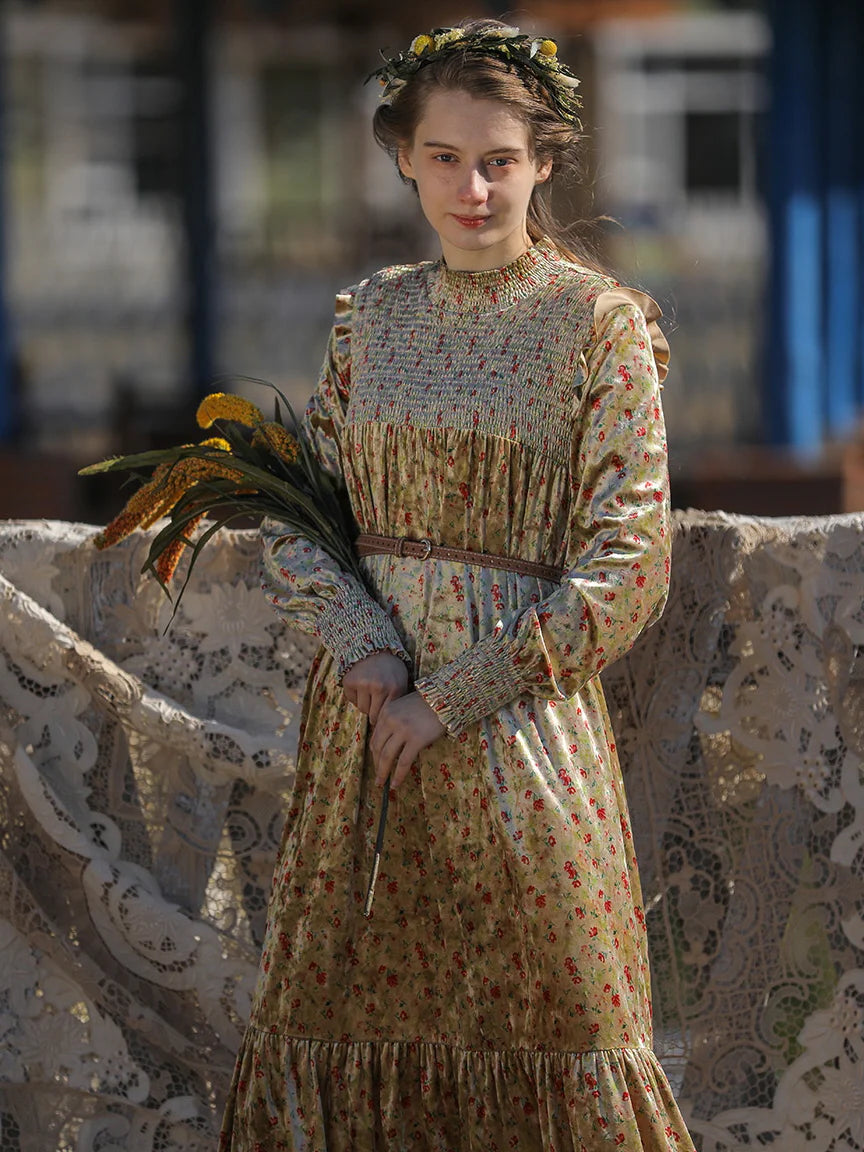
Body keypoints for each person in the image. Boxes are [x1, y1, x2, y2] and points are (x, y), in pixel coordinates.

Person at [220, 18, 695, 1151]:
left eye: (498, 161)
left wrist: (456, 692)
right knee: (345, 1026)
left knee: (559, 1028)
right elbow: (302, 519)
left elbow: (632, 563)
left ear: (543, 162)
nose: (472, 189)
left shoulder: (599, 327)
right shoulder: (370, 316)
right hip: (368, 736)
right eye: (444, 158)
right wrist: (365, 642)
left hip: (519, 733)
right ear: (403, 157)